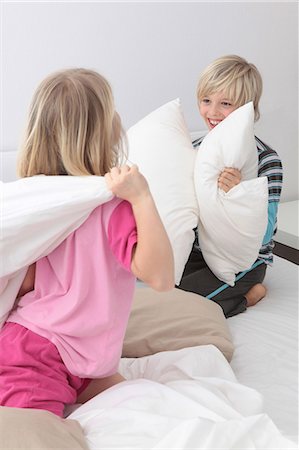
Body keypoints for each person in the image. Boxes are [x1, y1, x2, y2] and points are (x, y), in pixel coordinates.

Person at [0, 68, 175, 416]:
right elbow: (162, 277)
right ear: (104, 131)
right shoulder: (112, 206)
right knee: (36, 434)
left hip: (84, 361)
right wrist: (142, 199)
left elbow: (25, 279)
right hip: (36, 355)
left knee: (151, 408)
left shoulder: (38, 200)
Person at [178, 55, 283, 318]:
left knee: (187, 310)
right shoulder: (194, 149)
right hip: (198, 253)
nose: (212, 113)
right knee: (161, 292)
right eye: (206, 101)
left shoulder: (266, 160)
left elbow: (265, 233)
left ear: (248, 108)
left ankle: (248, 297)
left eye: (225, 104)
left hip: (243, 261)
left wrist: (239, 195)